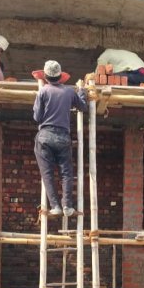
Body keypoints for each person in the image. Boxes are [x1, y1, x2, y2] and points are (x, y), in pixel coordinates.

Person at [33, 60, 88, 218]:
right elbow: (83, 106)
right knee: (66, 173)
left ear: (45, 76)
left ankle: (55, 206)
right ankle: (68, 207)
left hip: (45, 136)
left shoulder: (43, 91)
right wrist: (81, 90)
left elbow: (37, 117)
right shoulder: (70, 92)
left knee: (47, 173)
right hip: (63, 136)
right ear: (60, 76)